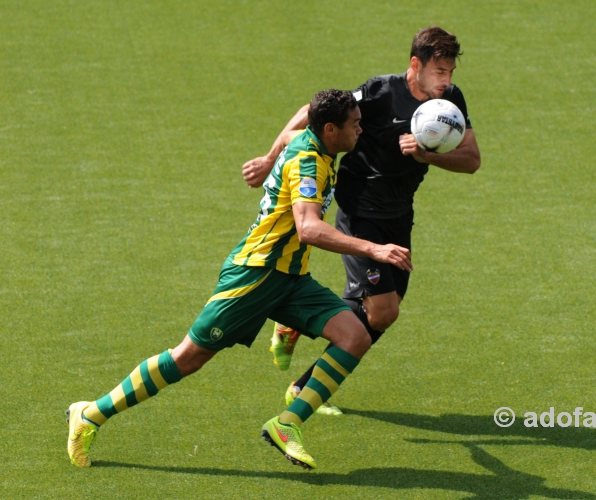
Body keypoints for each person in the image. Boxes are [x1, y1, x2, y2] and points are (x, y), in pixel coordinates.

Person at [66, 89, 412, 470]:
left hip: (290, 278)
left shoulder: (313, 141)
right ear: (329, 129)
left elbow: (287, 134)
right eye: (355, 125)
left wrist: (266, 162)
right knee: (189, 358)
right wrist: (375, 249)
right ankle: (91, 414)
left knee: (355, 336)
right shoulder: (308, 162)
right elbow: (309, 229)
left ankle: (288, 424)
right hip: (256, 274)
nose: (361, 130)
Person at [242, 26, 481, 414]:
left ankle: (295, 328)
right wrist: (271, 159)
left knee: (379, 315)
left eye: (451, 72)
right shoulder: (380, 92)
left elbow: (472, 160)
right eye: (440, 71)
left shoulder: (449, 101)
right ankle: (305, 391)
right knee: (383, 311)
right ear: (415, 65)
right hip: (360, 213)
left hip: (399, 215)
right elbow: (312, 114)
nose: (447, 81)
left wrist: (427, 156)